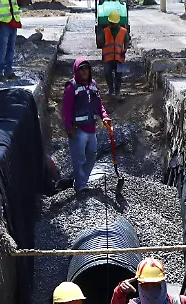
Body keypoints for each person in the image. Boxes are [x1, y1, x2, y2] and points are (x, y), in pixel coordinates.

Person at [61, 59, 111, 193]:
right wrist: (68, 127)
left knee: (92, 155)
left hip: (91, 128)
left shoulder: (93, 85)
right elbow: (66, 109)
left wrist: (105, 116)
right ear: (76, 71)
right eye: (81, 69)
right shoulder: (72, 87)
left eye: (86, 69)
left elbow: (99, 105)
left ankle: (83, 181)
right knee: (79, 158)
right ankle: (80, 185)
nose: (84, 72)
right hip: (78, 130)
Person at [0, 0, 21, 80]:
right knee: (3, 49)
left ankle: (8, 72)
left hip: (13, 23)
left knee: (11, 49)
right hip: (4, 24)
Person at [101, 23, 128, 100]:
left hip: (119, 58)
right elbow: (101, 43)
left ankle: (117, 92)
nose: (111, 25)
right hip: (108, 58)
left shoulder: (123, 31)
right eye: (110, 23)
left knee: (118, 76)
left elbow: (127, 41)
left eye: (113, 24)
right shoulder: (105, 31)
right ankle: (110, 89)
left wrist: (125, 49)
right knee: (107, 73)